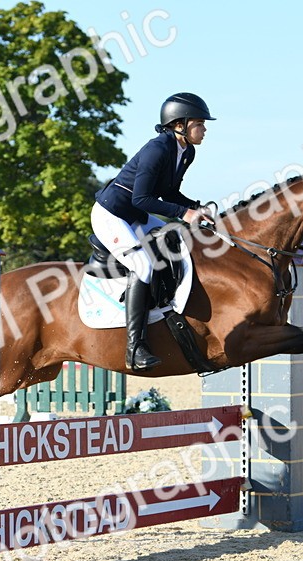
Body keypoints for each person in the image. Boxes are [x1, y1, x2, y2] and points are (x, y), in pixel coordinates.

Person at [91, 92, 215, 371]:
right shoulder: (156, 150)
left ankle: (165, 311)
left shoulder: (186, 152)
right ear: (179, 124)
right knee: (144, 265)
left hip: (134, 215)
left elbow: (169, 193)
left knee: (179, 242)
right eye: (199, 123)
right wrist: (184, 213)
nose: (204, 129)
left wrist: (196, 207)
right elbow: (141, 199)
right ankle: (135, 348)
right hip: (112, 215)